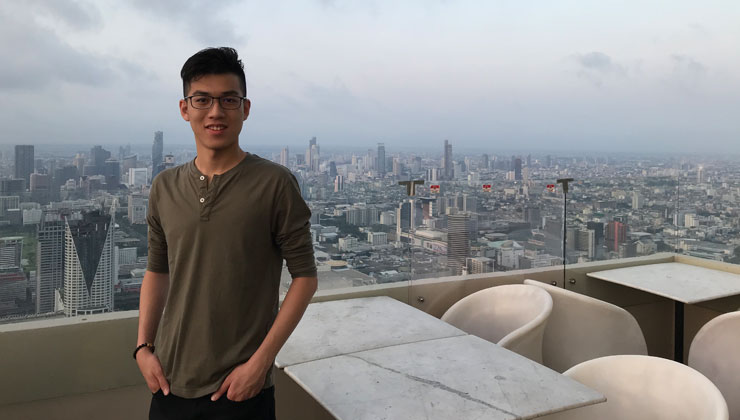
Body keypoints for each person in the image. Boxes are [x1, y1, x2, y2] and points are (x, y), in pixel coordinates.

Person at [134, 47, 318, 420]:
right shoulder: (164, 186)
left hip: (239, 390)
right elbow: (158, 271)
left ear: (245, 109)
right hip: (168, 382)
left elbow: (305, 278)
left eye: (228, 100)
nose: (216, 112)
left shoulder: (275, 184)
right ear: (185, 109)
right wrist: (142, 348)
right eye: (202, 99)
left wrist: (260, 364)